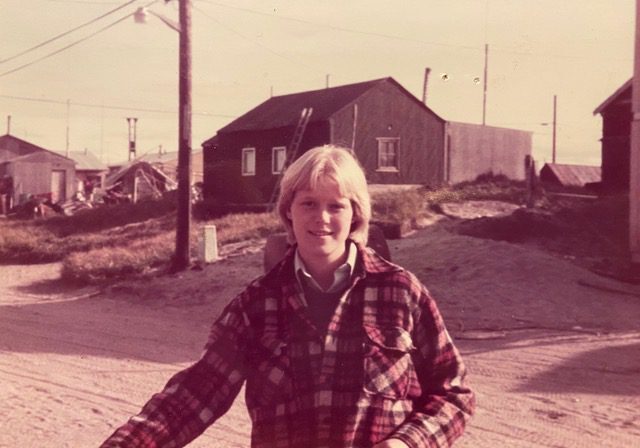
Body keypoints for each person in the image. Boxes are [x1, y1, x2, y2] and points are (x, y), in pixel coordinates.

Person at [101, 145, 475, 448]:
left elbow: (453, 394)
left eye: (336, 205)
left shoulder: (401, 292)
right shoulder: (256, 305)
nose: (321, 218)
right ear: (288, 212)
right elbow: (194, 395)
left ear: (356, 215)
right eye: (308, 203)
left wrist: (406, 445)